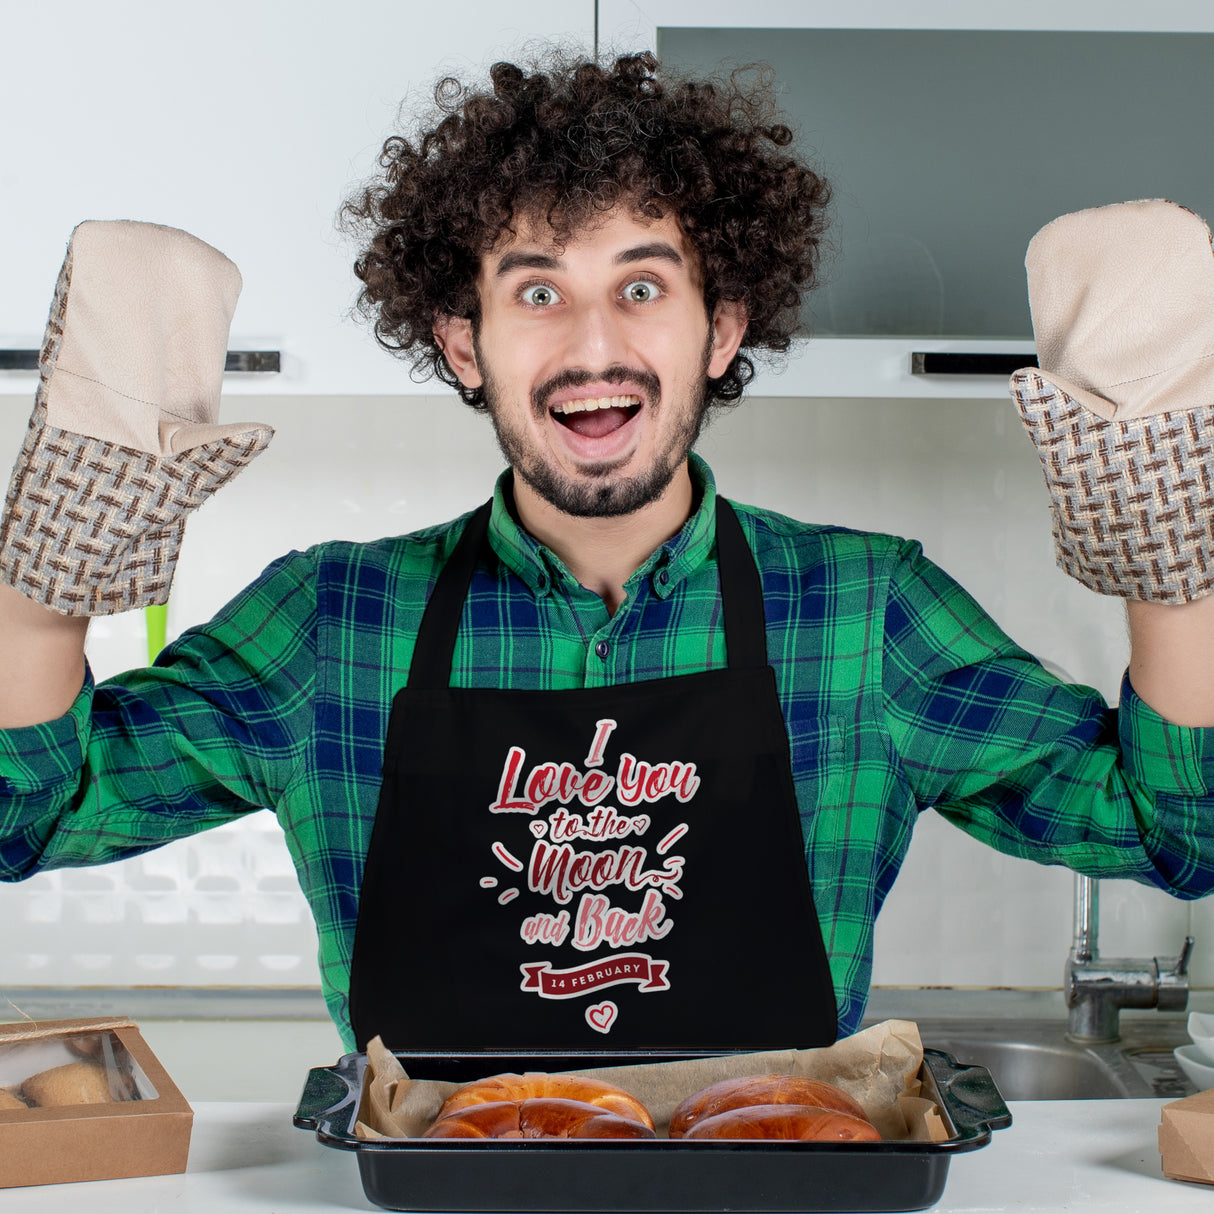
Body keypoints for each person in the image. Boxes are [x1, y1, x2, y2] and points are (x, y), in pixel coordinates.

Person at [1, 52, 1212, 1055]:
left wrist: (1170, 552)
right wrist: (64, 547)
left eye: (642, 286)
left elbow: (1175, 834)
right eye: (535, 294)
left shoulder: (863, 611)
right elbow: (28, 818)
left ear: (720, 325)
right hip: (434, 1198)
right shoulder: (333, 618)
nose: (592, 346)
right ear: (461, 342)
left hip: (766, 1186)